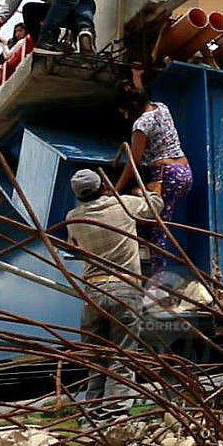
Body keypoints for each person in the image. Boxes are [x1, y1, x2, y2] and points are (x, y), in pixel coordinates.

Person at [64, 169, 162, 421]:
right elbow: (156, 206)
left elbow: (74, 248)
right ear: (102, 187)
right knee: (122, 353)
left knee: (96, 357)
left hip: (93, 292)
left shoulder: (73, 218)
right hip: (125, 290)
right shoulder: (124, 204)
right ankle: (114, 413)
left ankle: (92, 413)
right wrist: (148, 190)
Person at [115, 89, 192, 272]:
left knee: (159, 231)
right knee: (139, 197)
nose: (126, 117)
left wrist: (116, 189)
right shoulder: (161, 107)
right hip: (184, 173)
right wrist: (137, 79)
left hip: (166, 176)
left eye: (125, 112)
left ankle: (157, 285)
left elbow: (134, 160)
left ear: (132, 108)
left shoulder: (141, 125)